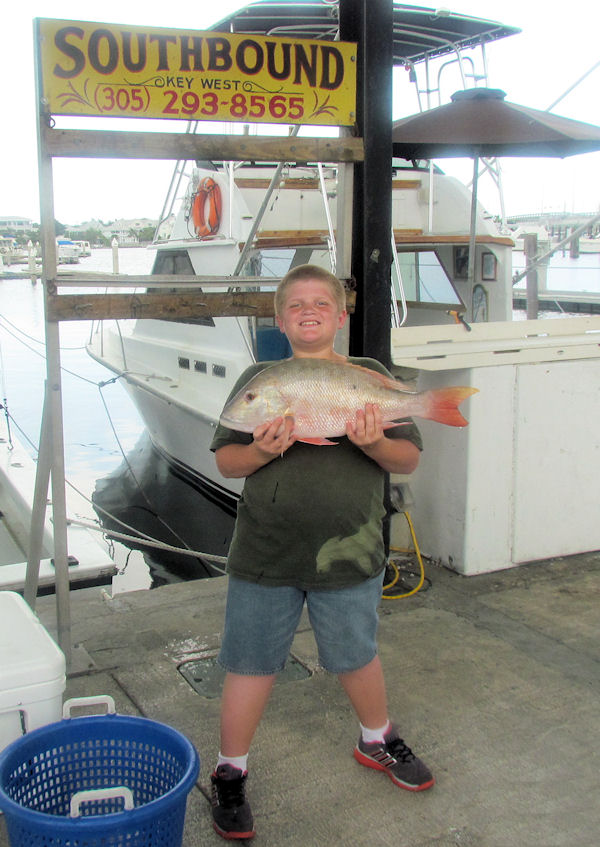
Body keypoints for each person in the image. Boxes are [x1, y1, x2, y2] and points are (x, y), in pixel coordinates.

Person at [209, 264, 433, 840]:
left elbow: (405, 460)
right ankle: (230, 770)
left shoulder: (371, 375)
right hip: (266, 551)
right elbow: (228, 461)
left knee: (356, 653)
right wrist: (260, 452)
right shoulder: (262, 376)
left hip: (351, 550)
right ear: (281, 320)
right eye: (296, 304)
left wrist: (375, 439)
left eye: (320, 302)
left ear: (340, 315)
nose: (308, 311)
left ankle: (376, 738)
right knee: (251, 661)